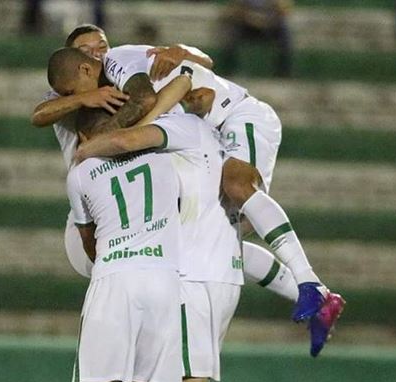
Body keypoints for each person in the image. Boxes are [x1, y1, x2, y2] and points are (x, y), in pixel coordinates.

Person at [46, 45, 345, 357]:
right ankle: (321, 299)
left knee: (237, 184)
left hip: (236, 116)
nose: (70, 100)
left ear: (85, 69)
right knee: (215, 239)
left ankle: (309, 282)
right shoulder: (111, 89)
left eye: (70, 91)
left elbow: (148, 98)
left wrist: (105, 138)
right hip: (205, 136)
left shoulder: (117, 62)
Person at [73, 110, 244, 382]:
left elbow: (127, 141)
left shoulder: (177, 140)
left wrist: (88, 149)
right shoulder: (178, 160)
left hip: (185, 282)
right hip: (187, 281)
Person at [45, 107, 187, 382]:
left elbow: (89, 241)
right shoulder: (165, 160)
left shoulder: (81, 173)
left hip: (114, 277)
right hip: (163, 280)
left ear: (88, 133)